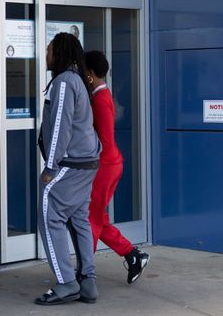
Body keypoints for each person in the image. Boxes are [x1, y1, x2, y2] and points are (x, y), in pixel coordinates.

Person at [35, 32, 101, 305]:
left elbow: (61, 127)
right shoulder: (76, 81)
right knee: (80, 220)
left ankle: (66, 283)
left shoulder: (63, 83)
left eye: (49, 49)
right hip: (87, 163)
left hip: (70, 164)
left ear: (59, 52)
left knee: (50, 219)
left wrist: (50, 167)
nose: (46, 54)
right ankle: (88, 282)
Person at [84, 50, 150, 284]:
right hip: (110, 164)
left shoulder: (100, 99)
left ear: (90, 74)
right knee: (98, 218)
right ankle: (133, 256)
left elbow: (102, 139)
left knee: (89, 218)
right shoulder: (102, 95)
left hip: (105, 166)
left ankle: (85, 274)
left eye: (83, 71)